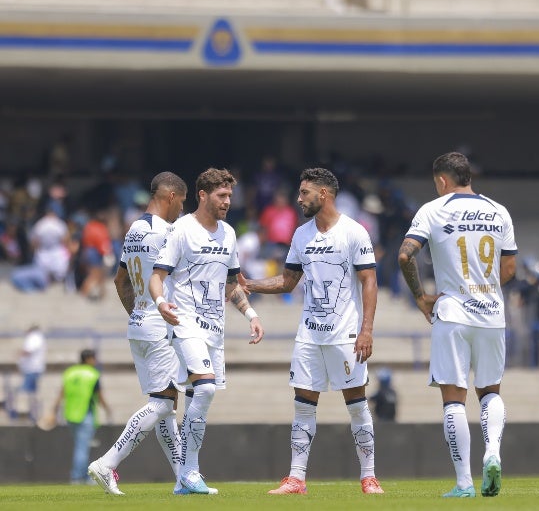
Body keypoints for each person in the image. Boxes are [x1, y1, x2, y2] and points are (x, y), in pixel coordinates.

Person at [242, 167, 384, 495]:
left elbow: (369, 281)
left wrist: (366, 330)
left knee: (357, 404)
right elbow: (288, 281)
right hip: (309, 335)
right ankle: (296, 478)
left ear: (323, 194)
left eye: (304, 192)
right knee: (303, 405)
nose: (299, 198)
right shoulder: (301, 234)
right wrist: (252, 284)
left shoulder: (354, 232)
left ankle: (369, 476)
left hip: (345, 334)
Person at [397, 151, 517, 498]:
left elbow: (405, 254)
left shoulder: (433, 210)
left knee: (454, 399)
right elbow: (508, 270)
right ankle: (492, 452)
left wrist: (421, 296)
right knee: (491, 391)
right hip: (492, 313)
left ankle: (464, 482)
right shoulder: (498, 211)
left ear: (442, 181)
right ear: (470, 177)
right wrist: (485, 287)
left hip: (452, 312)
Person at [149, 167, 264, 495]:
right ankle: (191, 471)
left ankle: (183, 480)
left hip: (215, 330)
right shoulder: (181, 230)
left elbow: (232, 285)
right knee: (206, 389)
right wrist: (160, 302)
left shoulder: (228, 233)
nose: (228, 201)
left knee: (195, 395)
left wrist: (251, 314)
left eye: (230, 195)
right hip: (184, 323)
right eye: (221, 195)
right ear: (202, 195)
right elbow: (157, 275)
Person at [87, 171, 191, 496]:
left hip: (139, 324)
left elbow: (120, 280)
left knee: (167, 403)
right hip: (160, 324)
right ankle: (107, 463)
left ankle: (184, 478)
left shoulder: (133, 229)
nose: (183, 210)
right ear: (171, 196)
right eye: (182, 202)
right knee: (162, 403)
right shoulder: (169, 231)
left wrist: (137, 314)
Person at [53, 349, 112, 485]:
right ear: (89, 359)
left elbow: (62, 393)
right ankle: (78, 477)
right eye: (94, 358)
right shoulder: (92, 374)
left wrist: (54, 409)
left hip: (70, 415)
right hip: (86, 414)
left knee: (79, 447)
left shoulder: (70, 372)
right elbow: (99, 396)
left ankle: (80, 477)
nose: (95, 361)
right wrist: (107, 409)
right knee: (82, 448)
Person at [14, 324, 47, 420]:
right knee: (31, 392)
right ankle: (31, 413)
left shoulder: (34, 337)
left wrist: (18, 355)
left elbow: (28, 350)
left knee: (26, 391)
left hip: (32, 369)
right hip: (33, 368)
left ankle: (27, 414)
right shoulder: (38, 337)